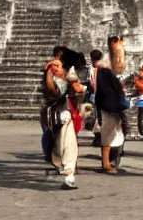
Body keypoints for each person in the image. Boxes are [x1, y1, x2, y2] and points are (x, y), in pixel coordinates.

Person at [41, 48, 85, 189]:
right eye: (52, 64)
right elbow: (51, 91)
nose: (53, 67)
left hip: (66, 114)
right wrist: (48, 73)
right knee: (58, 143)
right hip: (54, 115)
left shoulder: (69, 76)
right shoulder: (52, 78)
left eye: (57, 65)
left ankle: (69, 174)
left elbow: (78, 91)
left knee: (68, 143)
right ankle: (65, 169)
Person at [93, 52, 127, 174]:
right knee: (109, 136)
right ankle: (107, 163)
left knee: (111, 135)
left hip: (108, 109)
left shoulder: (102, 75)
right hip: (110, 110)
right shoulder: (106, 75)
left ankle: (108, 162)